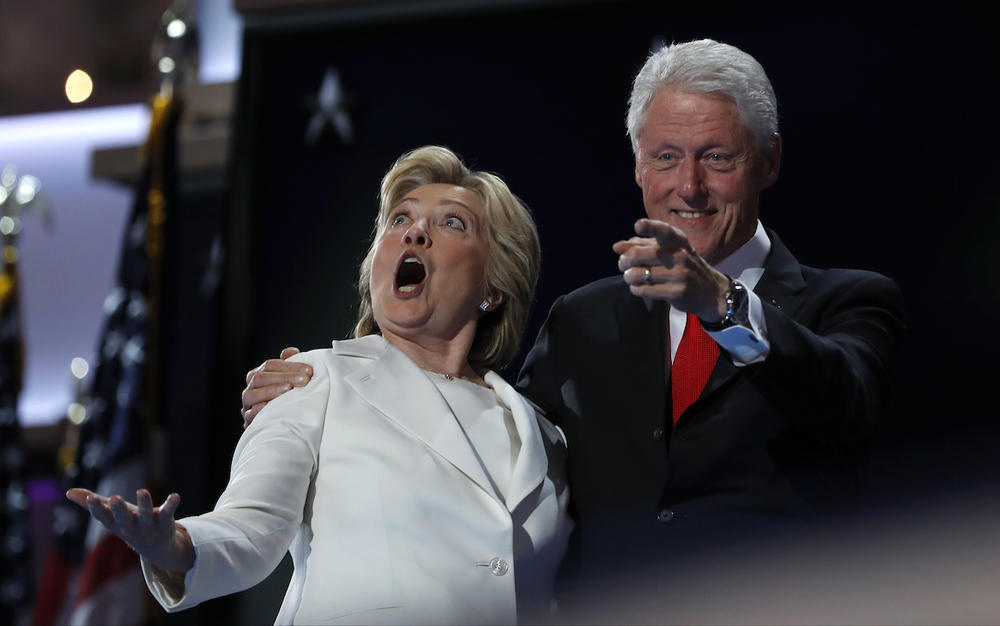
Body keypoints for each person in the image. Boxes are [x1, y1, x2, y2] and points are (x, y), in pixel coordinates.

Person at [242, 40, 904, 613]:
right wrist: (330, 405)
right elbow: (491, 456)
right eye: (667, 156)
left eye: (717, 158)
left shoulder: (848, 302)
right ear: (639, 164)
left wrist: (724, 307)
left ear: (769, 159)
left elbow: (844, 403)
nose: (690, 187)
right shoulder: (585, 319)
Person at [67, 146, 573, 625]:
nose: (415, 234)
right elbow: (251, 526)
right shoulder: (312, 380)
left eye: (451, 223)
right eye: (400, 220)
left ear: (493, 288)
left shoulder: (544, 437)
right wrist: (173, 544)